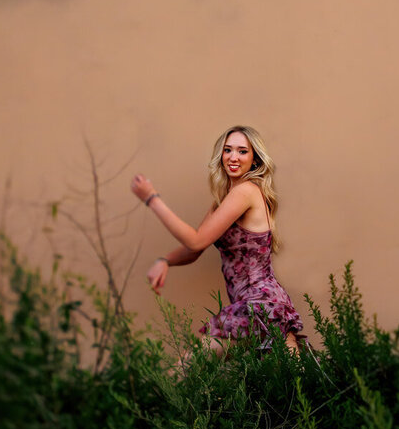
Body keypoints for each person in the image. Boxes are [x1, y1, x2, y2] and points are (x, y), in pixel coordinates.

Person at [131, 125, 308, 354]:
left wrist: (152, 199)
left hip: (260, 306)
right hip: (258, 306)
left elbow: (196, 241)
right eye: (228, 150)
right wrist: (165, 260)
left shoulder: (246, 192)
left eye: (242, 151)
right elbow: (195, 249)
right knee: (287, 384)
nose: (233, 157)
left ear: (254, 158)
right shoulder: (224, 202)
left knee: (188, 370)